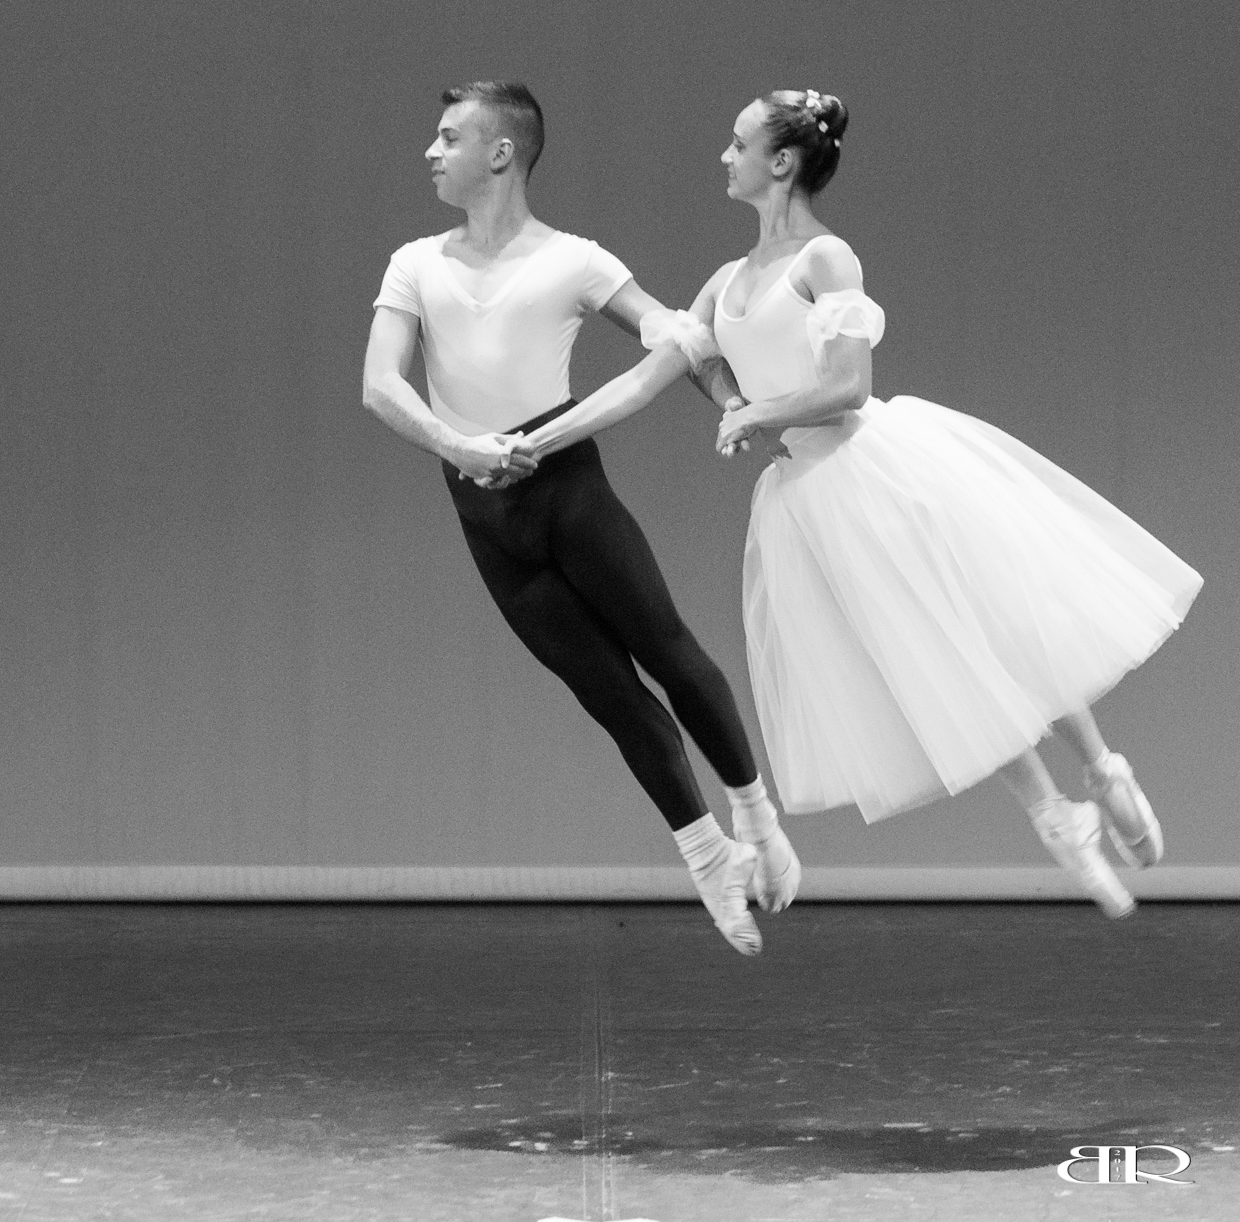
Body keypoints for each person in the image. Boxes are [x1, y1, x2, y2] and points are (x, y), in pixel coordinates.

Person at [516, 89, 1204, 919]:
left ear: (780, 162)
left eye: (737, 144)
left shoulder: (826, 260)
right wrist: (539, 441)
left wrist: (757, 414)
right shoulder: (724, 283)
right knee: (935, 667)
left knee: (992, 627)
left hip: (877, 473)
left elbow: (847, 385)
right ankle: (1055, 817)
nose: (724, 157)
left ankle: (1101, 769)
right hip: (810, 505)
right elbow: (660, 371)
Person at [362, 81, 801, 954]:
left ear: (500, 153)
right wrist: (460, 445)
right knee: (609, 695)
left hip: (567, 493)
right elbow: (379, 385)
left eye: (448, 137)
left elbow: (668, 332)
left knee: (669, 653)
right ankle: (708, 858)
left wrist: (726, 393)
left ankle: (755, 817)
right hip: (486, 510)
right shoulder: (414, 264)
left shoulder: (573, 260)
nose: (431, 152)